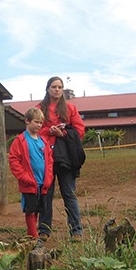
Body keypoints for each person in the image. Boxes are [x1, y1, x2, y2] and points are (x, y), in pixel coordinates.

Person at [37, 76, 85, 239]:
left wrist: (63, 133)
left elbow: (79, 130)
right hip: (45, 157)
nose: (57, 89)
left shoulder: (70, 109)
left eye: (59, 87)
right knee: (45, 194)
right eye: (53, 86)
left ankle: (76, 231)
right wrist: (49, 131)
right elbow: (32, 130)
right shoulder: (39, 108)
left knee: (69, 194)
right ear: (47, 89)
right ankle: (44, 230)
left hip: (66, 158)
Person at [10, 108, 54, 239]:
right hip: (29, 184)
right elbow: (14, 160)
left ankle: (34, 235)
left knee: (39, 210)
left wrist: (49, 178)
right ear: (27, 121)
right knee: (30, 211)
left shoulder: (44, 141)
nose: (39, 125)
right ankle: (33, 237)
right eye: (36, 122)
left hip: (43, 183)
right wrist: (24, 177)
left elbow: (50, 161)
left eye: (41, 123)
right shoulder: (20, 140)